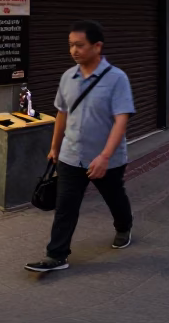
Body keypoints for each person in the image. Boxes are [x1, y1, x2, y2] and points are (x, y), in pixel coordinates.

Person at [26, 20, 134, 274]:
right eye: (71, 45)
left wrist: (105, 156)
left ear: (97, 46)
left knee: (114, 197)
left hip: (107, 160)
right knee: (65, 207)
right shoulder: (68, 77)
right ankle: (56, 255)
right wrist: (55, 147)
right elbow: (62, 113)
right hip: (71, 156)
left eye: (80, 45)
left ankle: (124, 226)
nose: (74, 50)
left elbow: (121, 120)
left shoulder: (117, 79)